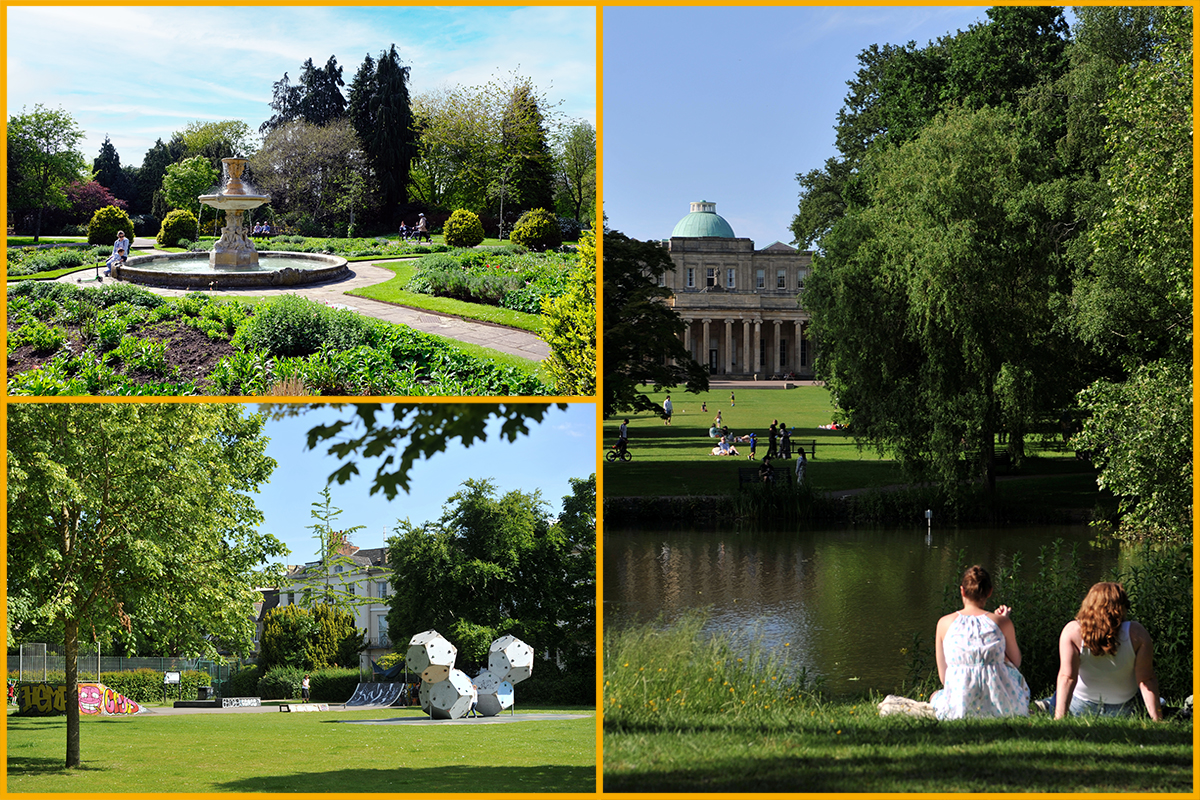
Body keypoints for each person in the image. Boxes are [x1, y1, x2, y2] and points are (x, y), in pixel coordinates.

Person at [1045, 582, 1162, 720]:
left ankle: (1046, 705)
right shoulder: (1137, 633)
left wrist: (1059, 718)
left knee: (1056, 694)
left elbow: (1067, 678)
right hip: (1126, 710)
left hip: (1079, 708)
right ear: (1121, 606)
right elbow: (1146, 680)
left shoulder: (1072, 631)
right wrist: (1158, 719)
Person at [929, 565, 1030, 720]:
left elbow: (944, 678)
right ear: (989, 592)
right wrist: (1003, 621)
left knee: (935, 696)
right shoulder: (1002, 623)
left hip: (960, 705)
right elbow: (1015, 663)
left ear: (962, 591)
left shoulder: (944, 623)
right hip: (1001, 703)